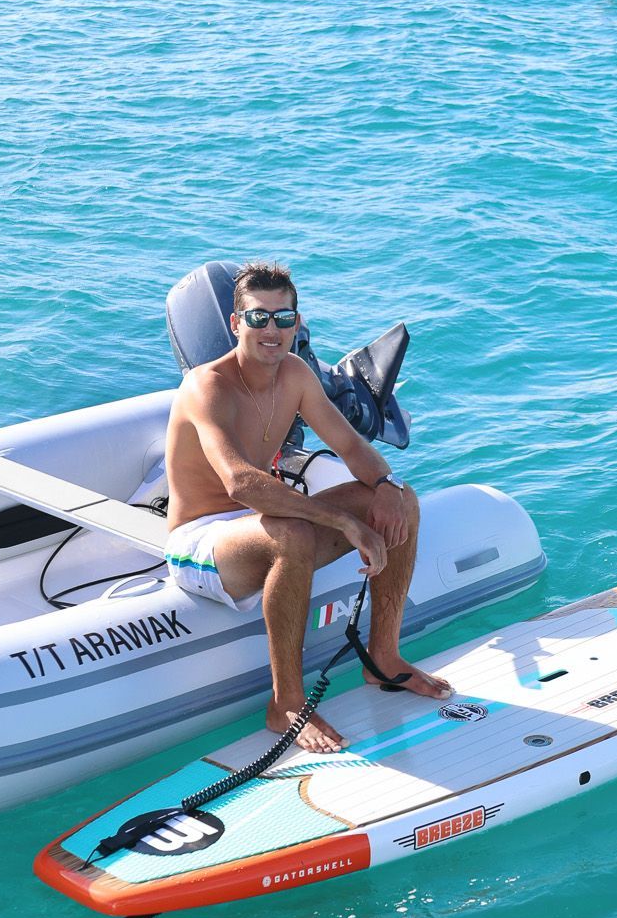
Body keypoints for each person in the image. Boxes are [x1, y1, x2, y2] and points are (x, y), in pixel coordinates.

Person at [163, 261, 450, 752]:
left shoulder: (295, 374)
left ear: (297, 323)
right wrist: (341, 521)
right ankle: (286, 703)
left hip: (259, 522)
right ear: (236, 324)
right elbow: (240, 483)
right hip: (201, 540)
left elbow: (352, 447)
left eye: (283, 317)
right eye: (258, 318)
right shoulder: (207, 387)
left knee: (399, 501)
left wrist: (386, 483)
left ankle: (383, 660)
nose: (271, 330)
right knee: (290, 533)